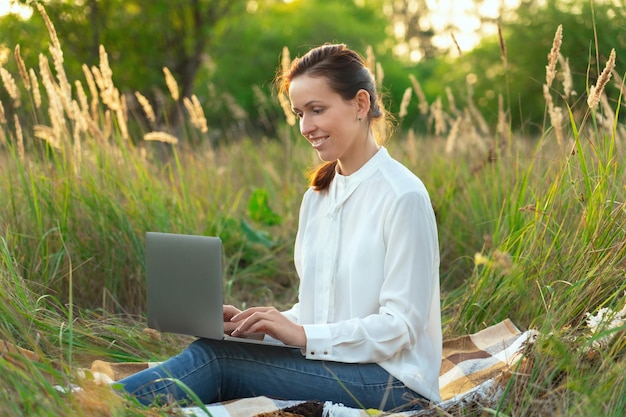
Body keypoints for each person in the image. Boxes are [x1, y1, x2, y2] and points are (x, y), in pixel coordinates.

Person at [118, 43, 442, 412]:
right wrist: (262, 327)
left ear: (361, 105)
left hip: (394, 381)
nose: (306, 127)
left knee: (220, 360)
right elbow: (321, 314)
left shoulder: (403, 196)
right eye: (299, 113)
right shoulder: (318, 198)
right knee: (221, 349)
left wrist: (303, 335)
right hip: (340, 366)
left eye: (317, 110)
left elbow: (401, 328)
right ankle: (101, 402)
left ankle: (93, 405)